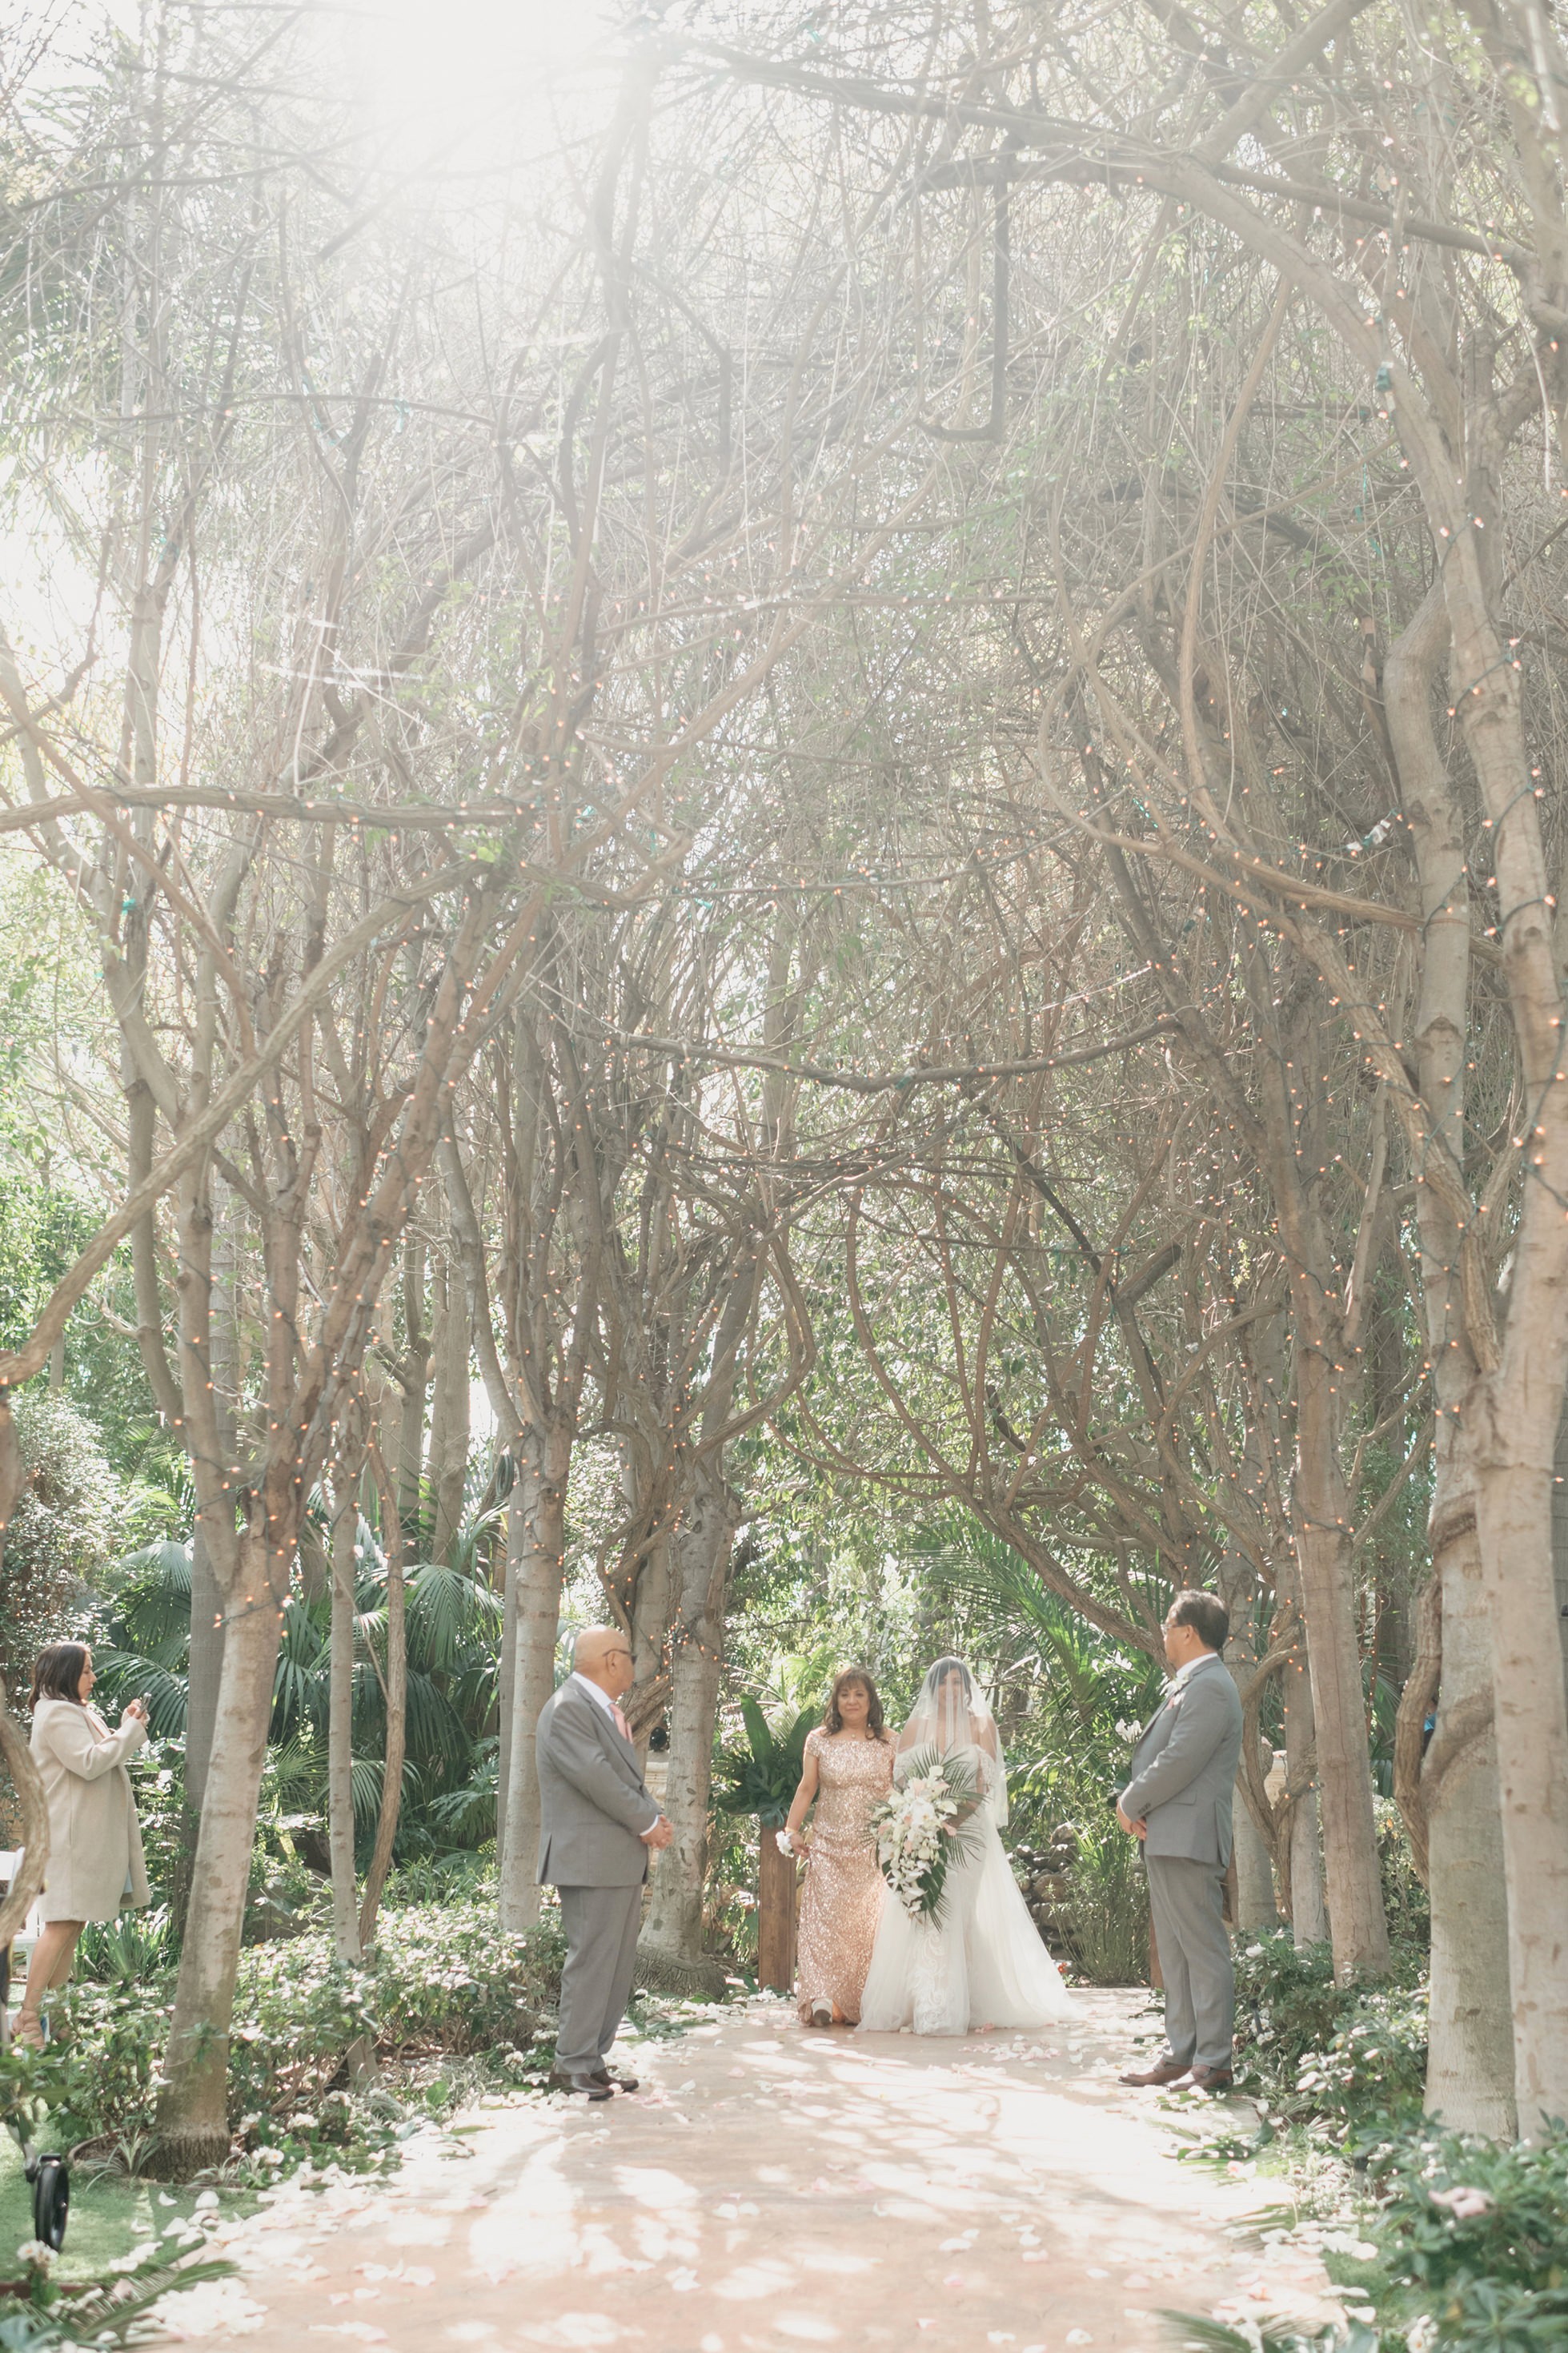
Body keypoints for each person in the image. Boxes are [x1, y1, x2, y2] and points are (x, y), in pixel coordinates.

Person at [859, 1657, 1074, 2035]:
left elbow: (983, 1781)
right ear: (934, 1688)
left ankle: (961, 2001)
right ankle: (924, 1999)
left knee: (959, 1911)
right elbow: (902, 1780)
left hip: (969, 1835)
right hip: (919, 1833)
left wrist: (951, 1820)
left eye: (959, 1684)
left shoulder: (981, 1725)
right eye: (945, 1684)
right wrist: (919, 1820)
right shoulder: (915, 1726)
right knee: (923, 1911)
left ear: (968, 1689)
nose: (952, 1690)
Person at [535, 1627, 673, 2101]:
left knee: (614, 1967)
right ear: (613, 1661)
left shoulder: (601, 1709)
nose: (634, 1666)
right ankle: (570, 2063)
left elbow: (621, 1778)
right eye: (630, 1657)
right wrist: (647, 1822)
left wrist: (653, 1815)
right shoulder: (569, 1708)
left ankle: (592, 2062)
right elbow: (598, 1778)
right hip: (590, 1860)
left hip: (614, 1859)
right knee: (593, 1961)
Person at [1115, 1589, 1243, 2092]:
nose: (1164, 1634)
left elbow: (1180, 1760)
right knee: (1175, 1951)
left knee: (1202, 1949)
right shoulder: (1191, 1683)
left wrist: (1130, 1803)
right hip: (1169, 1834)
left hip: (1190, 1836)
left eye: (1169, 1625)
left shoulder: (1211, 1686)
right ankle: (1182, 2053)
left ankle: (1214, 2061)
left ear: (1188, 1631)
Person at [16, 1641, 150, 2049]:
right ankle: (27, 2019)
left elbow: (100, 1754)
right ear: (66, 1673)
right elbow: (90, 1763)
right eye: (87, 1670)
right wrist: (129, 1733)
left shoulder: (74, 1711)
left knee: (71, 1926)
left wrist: (123, 1725)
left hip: (80, 1838)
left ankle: (54, 2021)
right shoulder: (56, 1712)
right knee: (61, 1925)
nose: (94, 1677)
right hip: (66, 1839)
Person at [781, 1667, 895, 2027]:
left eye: (859, 1694)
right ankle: (823, 1999)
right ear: (836, 1700)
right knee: (823, 1926)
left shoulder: (890, 1741)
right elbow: (806, 1787)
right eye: (845, 1694)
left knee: (867, 1929)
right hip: (828, 1845)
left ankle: (862, 2003)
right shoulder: (818, 1739)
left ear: (870, 1699)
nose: (852, 1701)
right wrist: (791, 1829)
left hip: (874, 1851)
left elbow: (902, 1789)